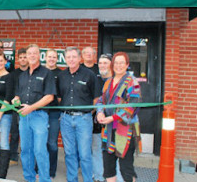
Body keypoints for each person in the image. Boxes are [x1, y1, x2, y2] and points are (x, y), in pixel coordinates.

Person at [12, 44, 56, 182]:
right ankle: (29, 178)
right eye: (29, 53)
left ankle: (44, 179)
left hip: (39, 116)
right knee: (25, 150)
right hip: (23, 117)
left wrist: (32, 107)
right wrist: (15, 99)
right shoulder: (22, 75)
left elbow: (49, 97)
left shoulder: (46, 73)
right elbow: (18, 94)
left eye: (34, 53)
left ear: (39, 55)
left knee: (39, 150)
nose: (31, 56)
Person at [96, 52, 142, 182]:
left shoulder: (133, 82)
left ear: (127, 65)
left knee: (126, 169)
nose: (118, 65)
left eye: (122, 62)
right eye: (116, 62)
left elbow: (133, 106)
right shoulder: (108, 82)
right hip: (108, 131)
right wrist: (100, 112)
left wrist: (113, 117)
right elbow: (101, 100)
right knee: (108, 167)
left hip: (125, 130)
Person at [57, 47, 100, 182]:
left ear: (79, 58)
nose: (71, 59)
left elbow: (96, 98)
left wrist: (88, 113)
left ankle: (88, 179)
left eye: (74, 57)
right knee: (69, 153)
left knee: (85, 154)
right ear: (65, 59)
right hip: (65, 119)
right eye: (68, 57)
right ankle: (72, 179)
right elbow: (59, 97)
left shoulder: (89, 75)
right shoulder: (61, 76)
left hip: (84, 119)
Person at [92, 53, 113, 182]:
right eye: (100, 63)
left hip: (113, 122)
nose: (102, 65)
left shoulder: (116, 80)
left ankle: (112, 176)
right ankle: (99, 176)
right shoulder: (95, 79)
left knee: (112, 150)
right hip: (97, 121)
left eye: (105, 62)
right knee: (96, 148)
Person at [43, 49, 62, 179]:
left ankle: (51, 171)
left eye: (54, 57)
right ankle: (39, 168)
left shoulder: (61, 74)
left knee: (52, 144)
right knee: (40, 142)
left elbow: (62, 95)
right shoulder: (40, 71)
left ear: (57, 59)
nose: (51, 59)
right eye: (49, 57)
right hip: (40, 111)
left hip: (54, 112)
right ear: (45, 57)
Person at [9, 47, 28, 165]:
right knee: (14, 132)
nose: (23, 60)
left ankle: (27, 156)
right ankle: (13, 157)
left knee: (27, 134)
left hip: (28, 107)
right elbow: (12, 89)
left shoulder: (31, 72)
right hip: (15, 108)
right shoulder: (14, 73)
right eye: (20, 58)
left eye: (25, 57)